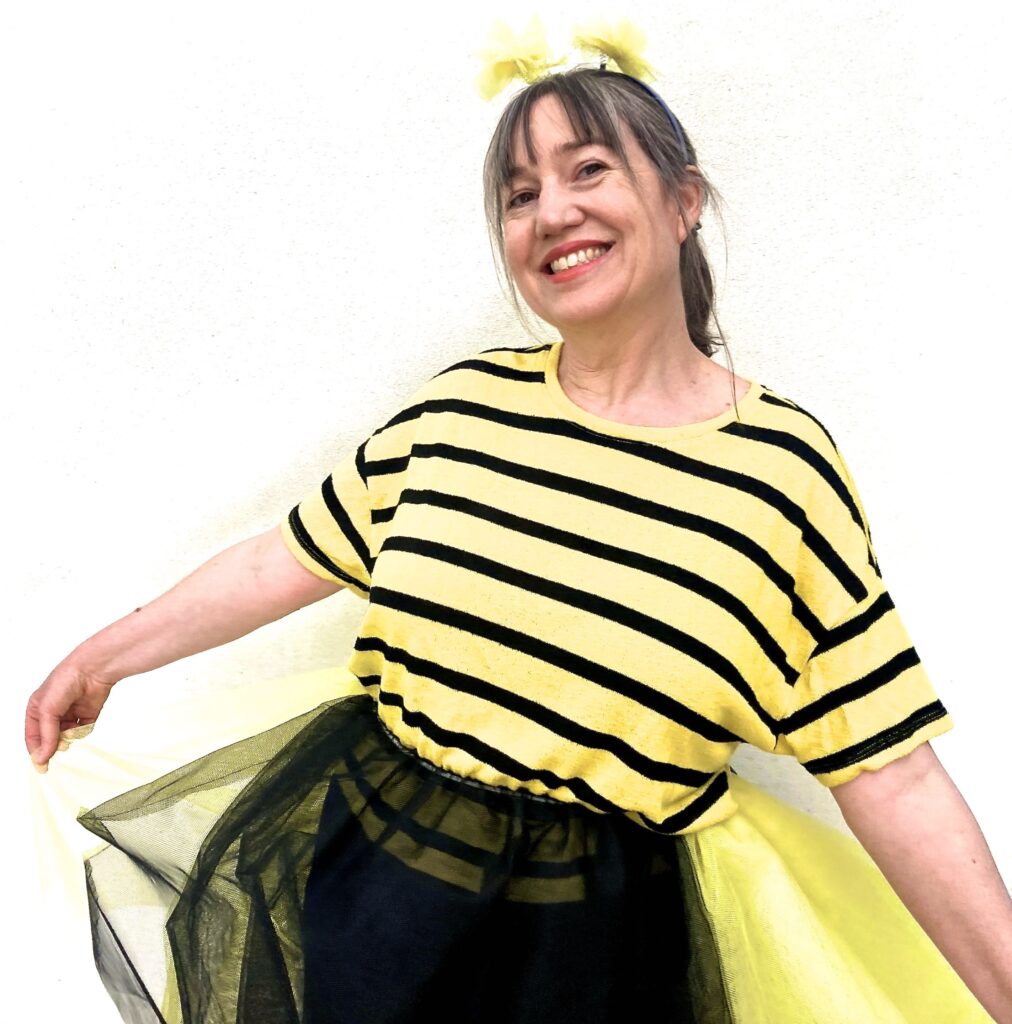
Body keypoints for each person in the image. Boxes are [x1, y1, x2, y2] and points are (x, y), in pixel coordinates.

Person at [24, 20, 1012, 1024]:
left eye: (589, 170)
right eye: (520, 194)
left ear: (682, 200)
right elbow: (286, 556)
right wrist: (103, 658)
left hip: (579, 964)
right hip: (366, 901)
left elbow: (891, 772)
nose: (553, 212)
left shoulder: (780, 476)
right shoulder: (462, 410)